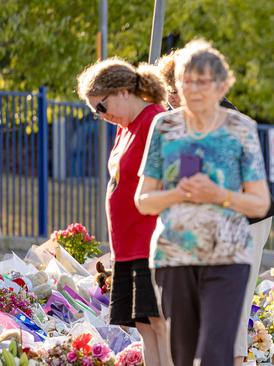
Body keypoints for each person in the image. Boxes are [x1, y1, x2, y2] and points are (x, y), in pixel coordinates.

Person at [135, 39, 271, 366]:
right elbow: (144, 200)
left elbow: (259, 203)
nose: (192, 89)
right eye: (185, 80)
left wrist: (218, 195)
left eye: (203, 81)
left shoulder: (240, 129)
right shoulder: (163, 127)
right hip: (174, 255)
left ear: (222, 85)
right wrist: (177, 194)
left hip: (228, 254)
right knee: (182, 352)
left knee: (216, 350)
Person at [76, 58, 171, 366]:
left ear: (122, 91)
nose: (101, 116)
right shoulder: (124, 128)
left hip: (151, 243)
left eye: (101, 107)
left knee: (160, 323)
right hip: (128, 247)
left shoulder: (155, 120)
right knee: (143, 325)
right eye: (95, 112)